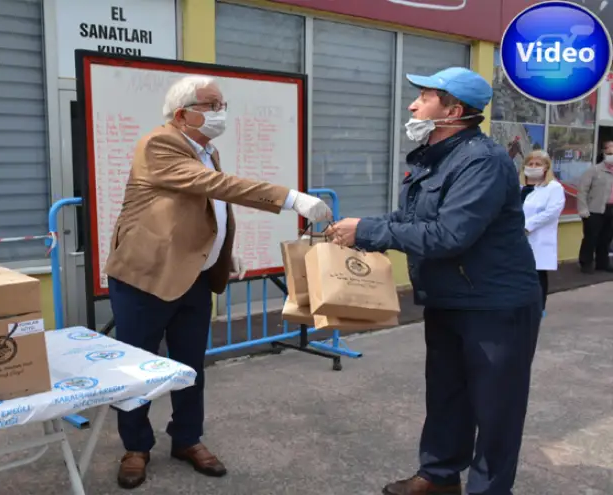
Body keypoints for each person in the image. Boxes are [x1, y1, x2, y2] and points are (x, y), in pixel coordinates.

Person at [104, 75, 331, 490]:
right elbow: (216, 186)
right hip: (146, 278)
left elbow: (201, 207)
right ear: (182, 113)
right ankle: (135, 447)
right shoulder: (159, 144)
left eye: (221, 103)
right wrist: (290, 199)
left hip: (193, 277)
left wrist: (219, 252)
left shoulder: (206, 148)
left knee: (190, 366)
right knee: (137, 369)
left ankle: (187, 439)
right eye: (210, 105)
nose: (220, 112)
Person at [327, 67, 542, 495]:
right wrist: (357, 227)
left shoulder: (482, 160)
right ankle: (440, 477)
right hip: (449, 297)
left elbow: (449, 234)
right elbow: (411, 221)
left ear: (453, 111)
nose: (412, 105)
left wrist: (369, 232)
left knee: (496, 408)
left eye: (424, 97)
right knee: (446, 395)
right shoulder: (434, 156)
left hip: (495, 305)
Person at [520, 150, 565, 311]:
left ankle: (538, 309)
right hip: (515, 238)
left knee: (537, 275)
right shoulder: (520, 187)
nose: (533, 167)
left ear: (546, 167)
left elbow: (551, 212)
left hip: (536, 238)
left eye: (537, 164)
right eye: (530, 164)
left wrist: (527, 225)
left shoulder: (553, 188)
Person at [576, 141, 613, 273]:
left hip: (610, 209)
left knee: (606, 238)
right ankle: (586, 263)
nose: (611, 154)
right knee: (591, 237)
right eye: (609, 152)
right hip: (594, 210)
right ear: (604, 153)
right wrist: (583, 210)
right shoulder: (594, 170)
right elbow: (582, 191)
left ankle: (602, 263)